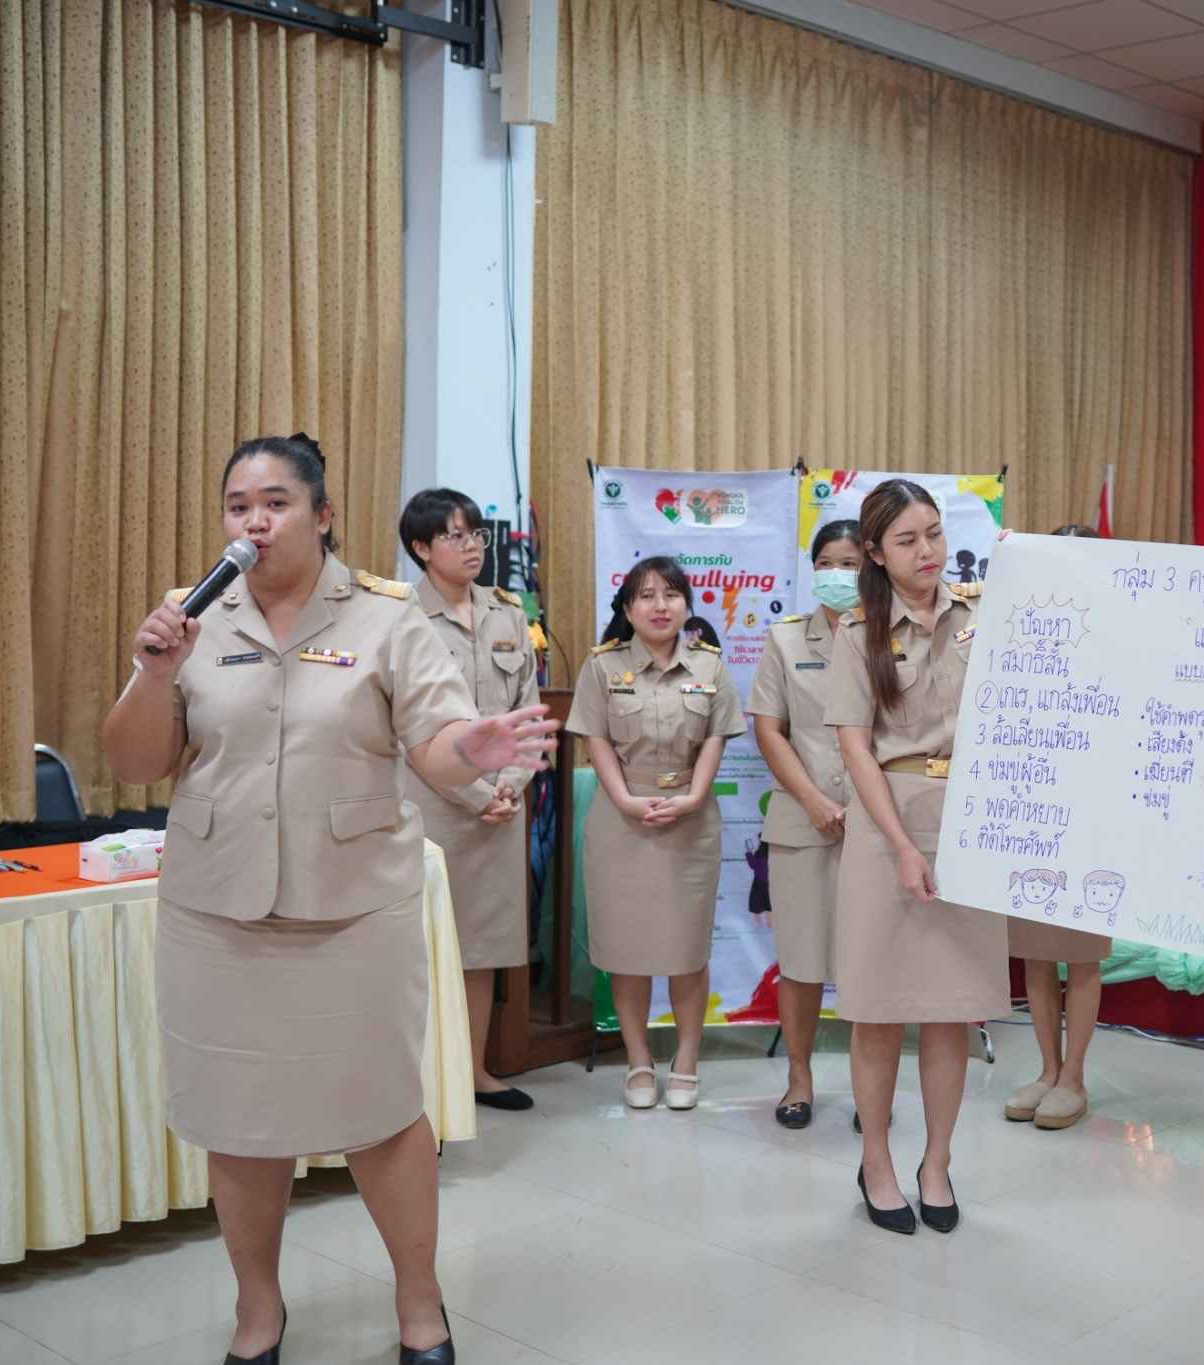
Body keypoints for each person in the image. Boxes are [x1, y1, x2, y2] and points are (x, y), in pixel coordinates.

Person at [102, 433, 556, 1365]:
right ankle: (257, 1311)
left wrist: (470, 749)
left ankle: (420, 1307)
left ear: (322, 513)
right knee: (239, 1121)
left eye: (274, 502)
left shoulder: (387, 619)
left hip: (351, 911)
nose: (254, 521)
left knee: (380, 1115)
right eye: (238, 505)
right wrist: (153, 670)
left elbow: (433, 739)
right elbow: (138, 760)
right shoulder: (195, 621)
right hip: (219, 914)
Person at [825, 479, 1006, 1235]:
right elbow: (854, 746)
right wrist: (901, 845)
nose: (927, 550)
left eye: (933, 533)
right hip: (886, 825)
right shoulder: (857, 630)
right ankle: (876, 1161)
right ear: (874, 551)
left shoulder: (981, 617)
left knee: (950, 1009)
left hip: (968, 823)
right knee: (879, 1011)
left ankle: (937, 1161)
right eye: (907, 539)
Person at [567, 558, 745, 1110]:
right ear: (626, 609)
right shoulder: (602, 668)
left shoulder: (711, 667)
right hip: (622, 821)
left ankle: (687, 1059)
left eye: (671, 594)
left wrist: (693, 797)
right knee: (628, 950)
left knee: (686, 949)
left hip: (690, 820)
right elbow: (594, 739)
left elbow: (717, 739)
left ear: (687, 605)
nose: (659, 605)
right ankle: (639, 1060)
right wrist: (623, 799)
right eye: (646, 596)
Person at [398, 488, 544, 1113]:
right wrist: (479, 792)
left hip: (501, 808)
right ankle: (422, 1088)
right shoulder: (400, 617)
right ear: (421, 548)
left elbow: (527, 712)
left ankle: (476, 1073)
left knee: (480, 947)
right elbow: (408, 729)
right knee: (424, 948)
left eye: (476, 534)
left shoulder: (508, 614)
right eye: (454, 536)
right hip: (433, 808)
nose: (471, 547)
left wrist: (509, 787)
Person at [747, 519, 861, 1129]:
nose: (840, 575)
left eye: (851, 563)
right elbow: (769, 727)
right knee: (801, 964)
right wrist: (814, 798)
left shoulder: (891, 637)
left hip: (879, 829)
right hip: (803, 823)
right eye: (828, 563)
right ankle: (799, 1079)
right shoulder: (786, 639)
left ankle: (874, 1090)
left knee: (872, 966)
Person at [1006, 523, 1111, 1131]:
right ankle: (1046, 1069)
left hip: (1093, 815)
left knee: (1081, 955)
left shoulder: (1123, 635)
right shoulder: (1023, 629)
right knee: (1036, 953)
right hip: (1030, 810)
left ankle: (1074, 1077)